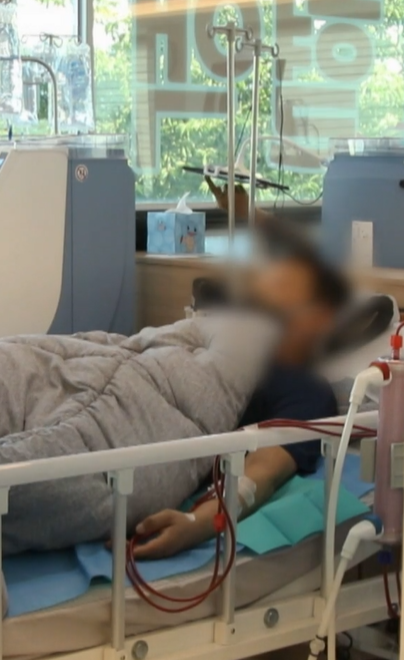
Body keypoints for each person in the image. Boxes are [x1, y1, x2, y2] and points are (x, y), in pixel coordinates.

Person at [131, 193, 351, 559]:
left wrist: (199, 522)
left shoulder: (307, 389)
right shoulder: (222, 333)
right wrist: (250, 213)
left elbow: (263, 472)